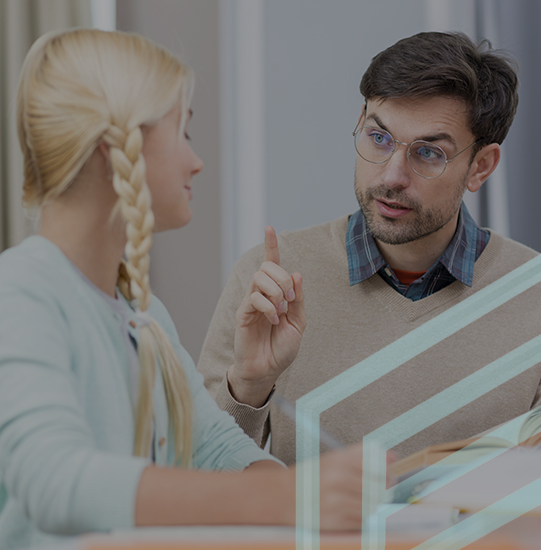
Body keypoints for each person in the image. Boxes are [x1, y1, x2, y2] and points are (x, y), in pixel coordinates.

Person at [0, 29, 372, 550]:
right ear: (111, 148)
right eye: (182, 133)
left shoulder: (144, 313)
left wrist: (316, 495)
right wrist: (284, 500)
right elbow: (55, 482)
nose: (196, 161)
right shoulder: (20, 292)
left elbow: (214, 451)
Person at [198, 31, 541, 466]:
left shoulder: (532, 296)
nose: (392, 176)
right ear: (360, 122)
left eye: (428, 153)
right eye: (379, 138)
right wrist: (248, 386)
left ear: (481, 166)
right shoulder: (271, 279)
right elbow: (193, 476)